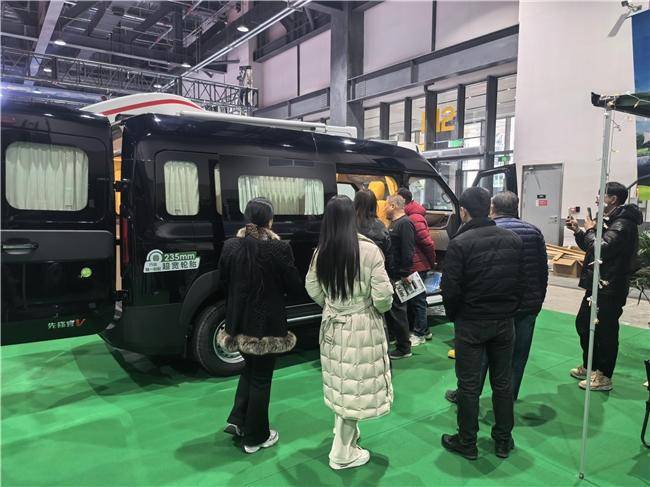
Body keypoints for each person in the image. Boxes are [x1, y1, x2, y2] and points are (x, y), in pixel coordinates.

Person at [306, 195, 394, 470]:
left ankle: (345, 434)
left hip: (332, 325)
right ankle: (342, 453)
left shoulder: (321, 251)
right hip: (361, 325)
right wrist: (371, 307)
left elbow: (311, 286)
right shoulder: (369, 250)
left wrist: (331, 305)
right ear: (352, 216)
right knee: (355, 383)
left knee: (341, 381)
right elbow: (383, 296)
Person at [441, 187, 525, 461]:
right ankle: (503, 440)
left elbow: (450, 289)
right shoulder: (513, 240)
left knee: (468, 385)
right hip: (504, 322)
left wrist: (455, 316)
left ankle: (467, 441)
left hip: (471, 322)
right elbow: (521, 282)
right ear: (489, 208)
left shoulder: (459, 243)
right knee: (502, 383)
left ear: (463, 211)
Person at [217, 197, 303, 454]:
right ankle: (256, 437)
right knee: (262, 379)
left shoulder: (231, 246)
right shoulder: (279, 248)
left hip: (237, 322)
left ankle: (238, 419)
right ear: (270, 221)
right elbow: (294, 286)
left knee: (250, 369)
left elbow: (223, 280)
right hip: (267, 326)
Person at [445, 191, 548, 403]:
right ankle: (508, 399)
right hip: (525, 306)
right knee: (517, 357)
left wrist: (457, 313)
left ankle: (468, 394)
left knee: (480, 357)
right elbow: (541, 271)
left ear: (493, 208)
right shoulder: (533, 232)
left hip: (489, 309)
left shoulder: (483, 232)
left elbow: (458, 281)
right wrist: (537, 301)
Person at [566, 182, 642, 391]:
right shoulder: (607, 219)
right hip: (596, 284)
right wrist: (579, 232)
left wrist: (590, 230)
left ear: (613, 199)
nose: (597, 198)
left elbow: (602, 249)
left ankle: (604, 375)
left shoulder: (623, 224)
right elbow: (592, 248)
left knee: (605, 331)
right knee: (584, 324)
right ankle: (590, 365)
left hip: (610, 286)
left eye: (601, 195)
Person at [398, 187, 436, 346]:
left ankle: (420, 333)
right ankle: (424, 330)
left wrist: (432, 262)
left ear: (403, 201)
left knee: (418, 301)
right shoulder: (409, 216)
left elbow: (427, 243)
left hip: (417, 266)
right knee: (414, 300)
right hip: (415, 265)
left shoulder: (414, 218)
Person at [384, 194, 416, 360]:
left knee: (399, 310)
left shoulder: (405, 224)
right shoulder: (394, 223)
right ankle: (396, 339)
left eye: (386, 205)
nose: (384, 208)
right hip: (391, 273)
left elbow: (408, 250)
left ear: (393, 206)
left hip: (399, 275)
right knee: (393, 309)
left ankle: (404, 347)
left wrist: (405, 272)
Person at [354, 189, 391, 264]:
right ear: (374, 205)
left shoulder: (347, 224)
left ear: (355, 203)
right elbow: (388, 254)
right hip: (375, 266)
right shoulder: (380, 226)